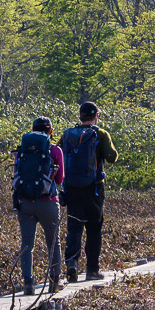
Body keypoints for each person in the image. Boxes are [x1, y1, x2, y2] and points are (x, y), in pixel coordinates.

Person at [58, 100, 117, 283]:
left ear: (81, 116)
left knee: (74, 228)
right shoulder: (101, 134)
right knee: (94, 228)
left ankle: (72, 266)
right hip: (94, 189)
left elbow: (58, 154)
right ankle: (92, 269)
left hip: (72, 188)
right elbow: (112, 157)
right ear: (96, 115)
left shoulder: (68, 134)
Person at [13, 116, 66, 307]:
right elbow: (59, 180)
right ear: (50, 131)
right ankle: (54, 281)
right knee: (53, 241)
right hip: (48, 202)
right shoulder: (55, 150)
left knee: (27, 243)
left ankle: (28, 283)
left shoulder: (22, 151)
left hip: (25, 203)